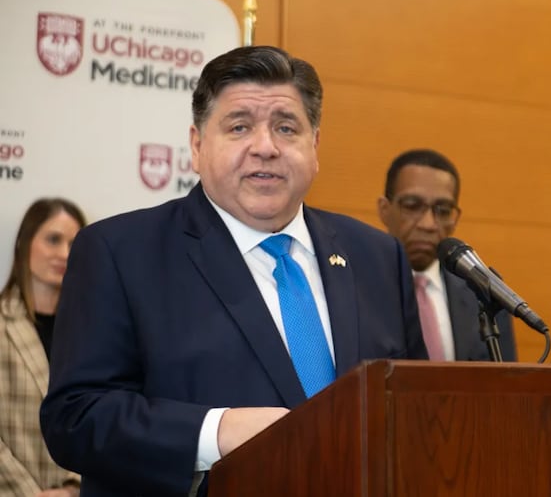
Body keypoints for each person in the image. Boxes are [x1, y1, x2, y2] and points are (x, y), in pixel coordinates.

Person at [39, 46, 428, 497]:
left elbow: (415, 408)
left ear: (315, 146)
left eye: (286, 127)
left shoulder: (377, 255)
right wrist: (215, 432)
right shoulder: (119, 252)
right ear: (197, 145)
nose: (265, 147)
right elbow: (74, 418)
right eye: (239, 126)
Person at [378, 149, 517, 362]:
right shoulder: (357, 287)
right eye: (412, 206)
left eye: (443, 211)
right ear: (385, 210)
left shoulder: (482, 294)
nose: (428, 224)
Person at [1, 198, 85, 497]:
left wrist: (73, 488)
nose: (64, 253)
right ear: (24, 243)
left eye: (74, 243)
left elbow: (100, 416)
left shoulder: (93, 329)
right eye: (53, 240)